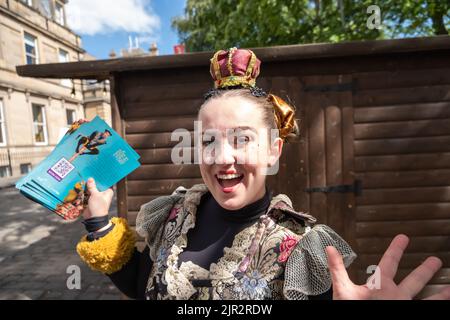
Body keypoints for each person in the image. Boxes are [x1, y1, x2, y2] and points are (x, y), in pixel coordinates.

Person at [75, 48, 450, 300]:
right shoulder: (172, 216)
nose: (223, 158)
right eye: (209, 141)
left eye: (241, 140)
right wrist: (98, 224)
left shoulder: (300, 246)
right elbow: (145, 286)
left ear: (274, 149)